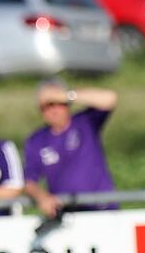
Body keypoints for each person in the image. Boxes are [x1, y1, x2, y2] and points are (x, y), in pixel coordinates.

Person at [24, 81, 118, 218]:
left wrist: (67, 95)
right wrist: (42, 197)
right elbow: (29, 180)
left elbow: (110, 98)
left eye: (58, 104)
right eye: (47, 106)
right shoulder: (37, 140)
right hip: (66, 214)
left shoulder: (84, 122)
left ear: (67, 104)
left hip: (102, 209)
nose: (53, 110)